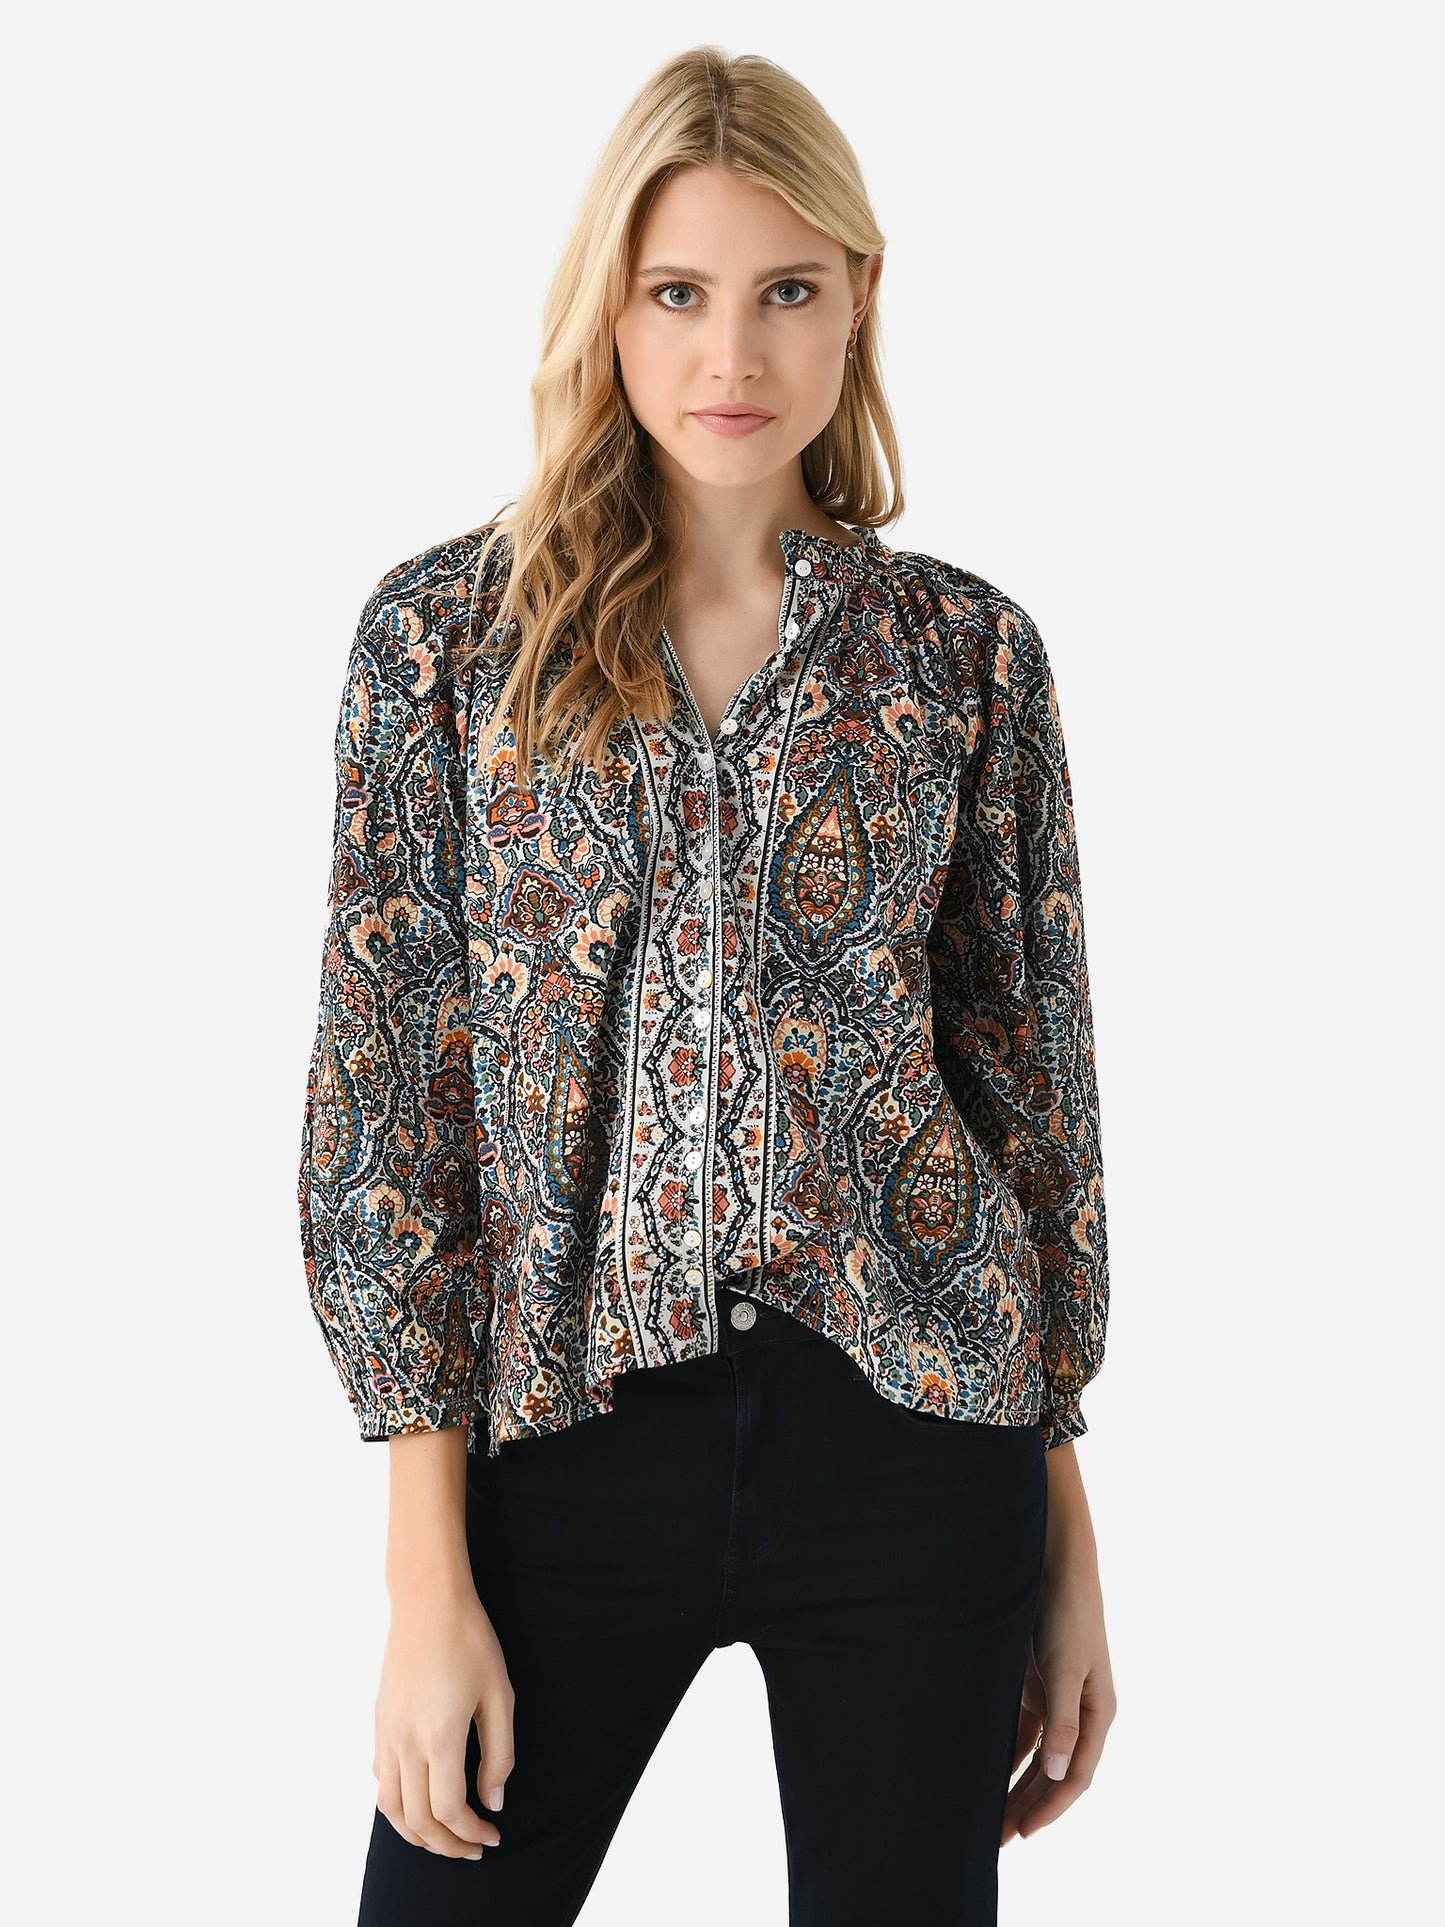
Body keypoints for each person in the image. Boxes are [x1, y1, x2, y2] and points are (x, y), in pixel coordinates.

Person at [298, 43, 1117, 1927]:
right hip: (561, 1436)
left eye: (784, 292)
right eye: (676, 293)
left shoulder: (964, 657)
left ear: (862, 297)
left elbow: (1033, 1100)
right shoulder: (446, 642)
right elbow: (384, 1105)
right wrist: (425, 1579)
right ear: (607, 305)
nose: (729, 354)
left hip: (920, 1442)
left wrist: (1065, 1526)